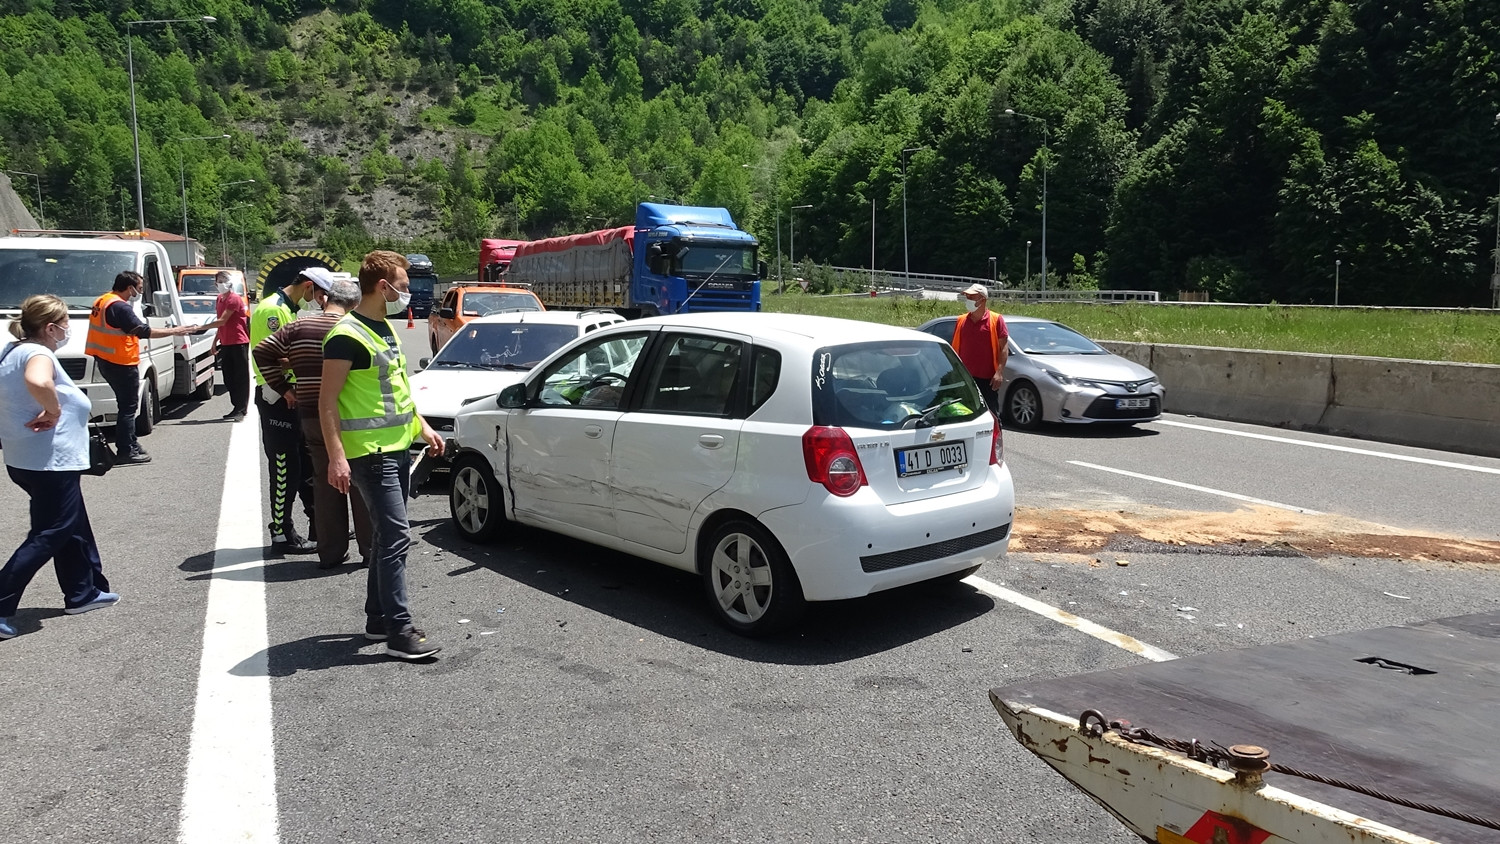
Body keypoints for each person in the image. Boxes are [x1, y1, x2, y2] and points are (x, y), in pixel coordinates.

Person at [319, 250, 444, 660]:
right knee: (395, 537)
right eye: (404, 286)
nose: (408, 293)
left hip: (396, 448)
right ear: (381, 286)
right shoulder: (346, 334)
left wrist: (421, 425)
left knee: (388, 538)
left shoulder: (384, 327)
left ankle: (377, 620)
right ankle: (399, 629)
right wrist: (337, 457)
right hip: (369, 454)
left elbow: (396, 390)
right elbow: (327, 403)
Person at [0, 295, 118, 639]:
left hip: (26, 459)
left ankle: (83, 593)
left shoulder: (10, 352)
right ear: (50, 328)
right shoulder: (38, 354)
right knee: (50, 532)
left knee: (72, 525)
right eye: (65, 323)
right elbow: (39, 382)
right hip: (50, 462)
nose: (68, 329)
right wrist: (53, 410)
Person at [253, 277, 371, 570]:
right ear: (354, 303)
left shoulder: (297, 326)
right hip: (350, 413)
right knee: (360, 482)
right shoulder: (356, 328)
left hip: (310, 414)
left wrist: (283, 386)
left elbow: (261, 351)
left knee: (324, 479)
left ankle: (330, 552)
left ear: (324, 298)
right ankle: (370, 549)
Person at [250, 267, 330, 556]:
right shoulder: (272, 310)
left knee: (305, 464)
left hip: (292, 395)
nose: (319, 301)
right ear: (308, 286)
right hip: (278, 396)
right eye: (319, 294)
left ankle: (318, 523)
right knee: (284, 467)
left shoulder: (289, 309)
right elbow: (269, 354)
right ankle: (281, 531)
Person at [85, 270, 198, 465]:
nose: (140, 291)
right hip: (121, 362)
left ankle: (130, 443)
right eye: (139, 287)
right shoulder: (120, 307)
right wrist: (176, 330)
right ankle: (126, 450)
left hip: (105, 360)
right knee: (128, 408)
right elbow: (142, 331)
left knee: (126, 406)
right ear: (129, 288)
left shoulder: (102, 300)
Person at [197, 270, 251, 421]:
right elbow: (221, 325)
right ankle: (236, 406)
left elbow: (222, 320)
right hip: (226, 342)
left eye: (224, 280)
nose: (221, 284)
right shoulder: (219, 299)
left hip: (239, 342)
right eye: (218, 281)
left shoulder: (234, 299)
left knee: (240, 377)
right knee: (228, 377)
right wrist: (214, 342)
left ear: (230, 282)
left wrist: (200, 328)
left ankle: (241, 408)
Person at [951, 283, 1010, 415]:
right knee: (965, 415)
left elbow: (1004, 348)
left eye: (971, 297)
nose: (968, 300)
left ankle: (997, 436)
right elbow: (954, 349)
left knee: (991, 415)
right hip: (965, 380)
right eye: (967, 296)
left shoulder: (996, 320)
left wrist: (999, 373)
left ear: (982, 300)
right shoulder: (961, 321)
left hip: (988, 380)